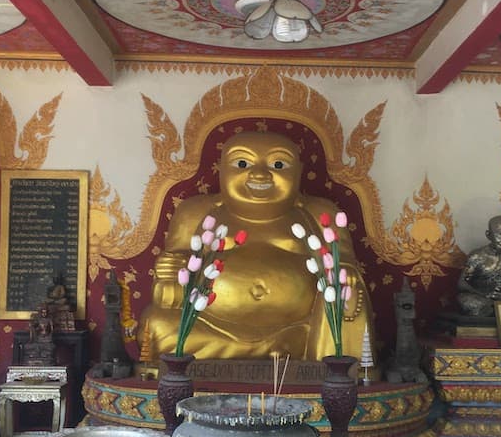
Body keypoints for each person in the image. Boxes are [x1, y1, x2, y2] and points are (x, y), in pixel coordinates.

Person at [137, 130, 374, 362]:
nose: (260, 175)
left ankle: (285, 350)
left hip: (301, 326)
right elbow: (170, 281)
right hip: (210, 324)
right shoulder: (195, 212)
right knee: (155, 325)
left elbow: (344, 263)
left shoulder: (319, 213)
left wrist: (346, 273)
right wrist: (171, 268)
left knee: (344, 304)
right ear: (221, 171)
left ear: (299, 173)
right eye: (242, 164)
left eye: (278, 165)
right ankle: (280, 352)